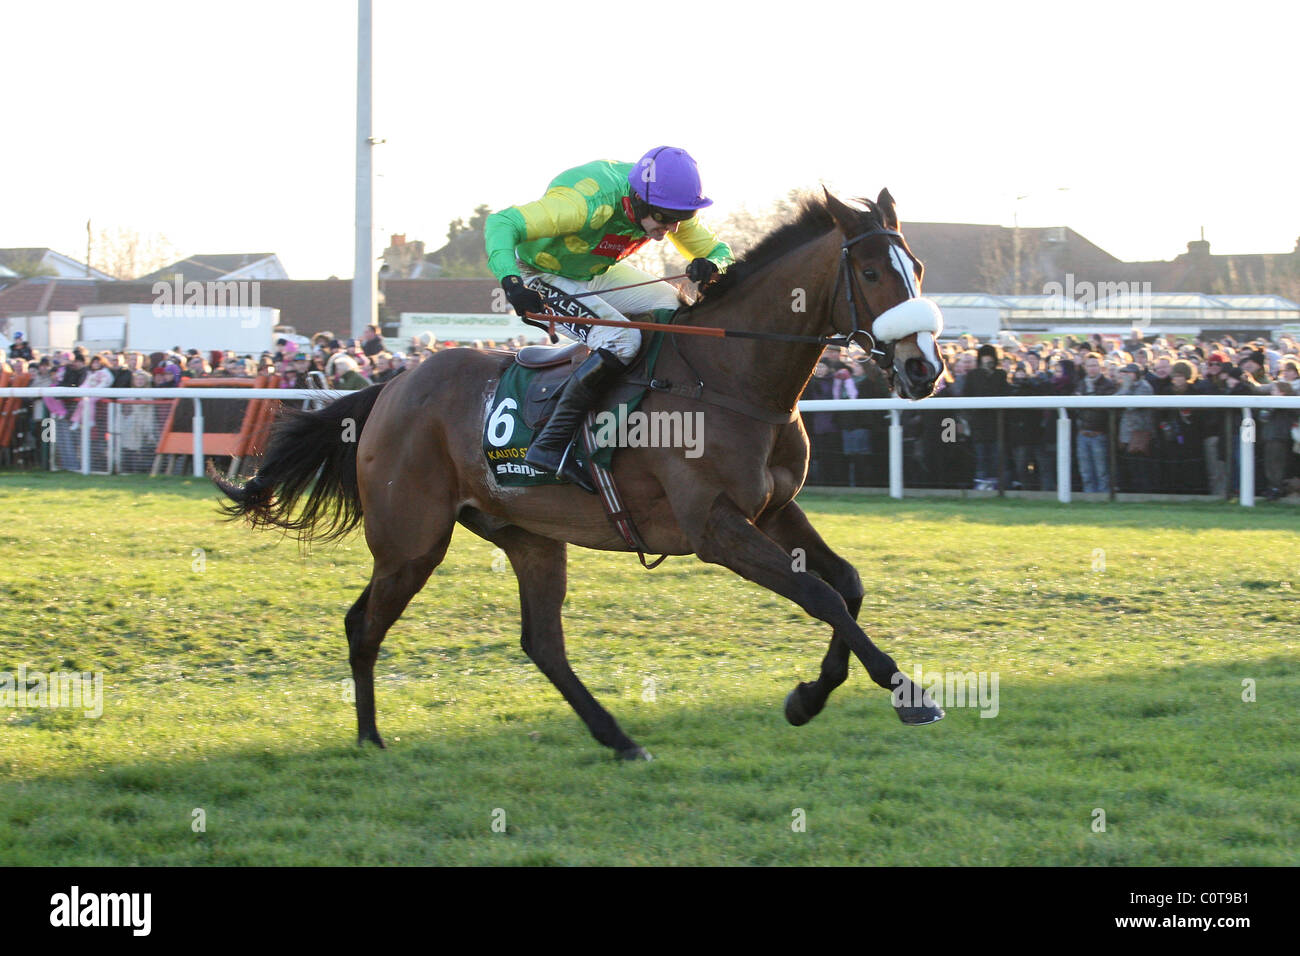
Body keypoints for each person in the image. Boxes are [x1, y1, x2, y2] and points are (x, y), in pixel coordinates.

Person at [484, 146, 734, 491]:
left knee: (676, 310)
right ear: (639, 201)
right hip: (537, 271)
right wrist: (511, 283)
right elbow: (501, 222)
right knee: (622, 339)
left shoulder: (664, 201)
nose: (671, 228)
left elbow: (721, 252)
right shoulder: (583, 205)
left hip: (593, 271)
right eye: (664, 218)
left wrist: (713, 266)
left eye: (680, 218)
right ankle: (550, 445)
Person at [1073, 352, 1117, 493]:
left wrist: (1087, 399)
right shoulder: (1080, 384)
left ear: (1100, 367)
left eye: (1095, 365)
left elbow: (1102, 408)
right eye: (1089, 365)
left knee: (1102, 472)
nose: (1092, 369)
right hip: (1082, 434)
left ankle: (1103, 500)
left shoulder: (1108, 384)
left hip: (1099, 434)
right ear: (1085, 367)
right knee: (1085, 473)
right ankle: (1089, 500)